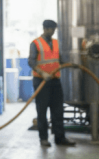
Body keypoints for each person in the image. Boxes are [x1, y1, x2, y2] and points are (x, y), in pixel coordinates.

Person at [28, 19, 75, 147]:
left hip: (55, 81)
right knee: (42, 111)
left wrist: (70, 64)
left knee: (58, 110)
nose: (53, 32)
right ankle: (43, 138)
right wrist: (42, 73)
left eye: (54, 29)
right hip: (41, 82)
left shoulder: (55, 43)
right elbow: (31, 62)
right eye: (52, 29)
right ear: (45, 29)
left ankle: (60, 138)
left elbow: (59, 59)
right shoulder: (36, 43)